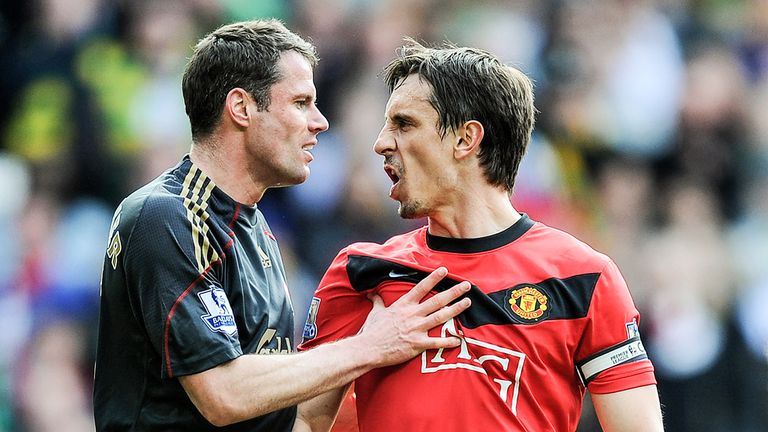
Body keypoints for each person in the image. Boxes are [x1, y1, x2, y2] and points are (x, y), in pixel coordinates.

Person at [92, 20, 472, 431]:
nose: (320, 122)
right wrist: (370, 345)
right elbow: (224, 393)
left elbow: (293, 423)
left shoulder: (258, 232)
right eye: (300, 102)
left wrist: (367, 325)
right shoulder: (166, 215)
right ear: (241, 108)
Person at [296, 40, 664, 432]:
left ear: (465, 139)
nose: (381, 143)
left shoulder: (584, 278)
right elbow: (306, 421)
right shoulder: (361, 272)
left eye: (404, 124)